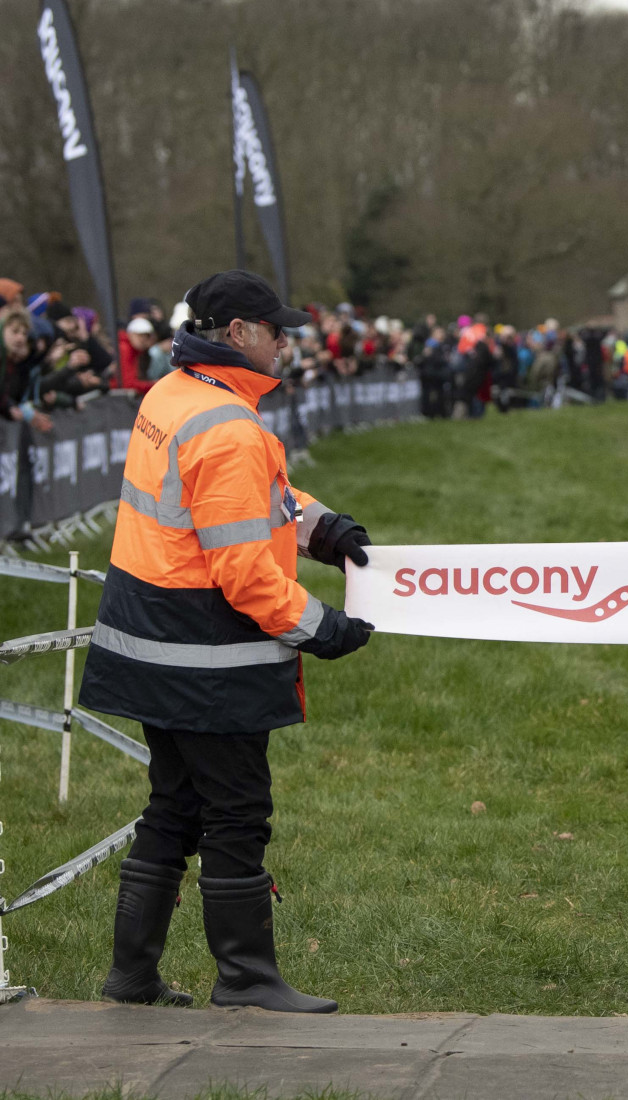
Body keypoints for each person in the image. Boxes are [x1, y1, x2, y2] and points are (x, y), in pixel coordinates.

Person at [80, 270, 375, 1015]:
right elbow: (246, 573)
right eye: (277, 330)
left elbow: (248, 503)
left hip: (151, 648)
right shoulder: (229, 426)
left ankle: (131, 978)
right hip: (207, 660)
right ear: (239, 334)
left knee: (172, 808)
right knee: (236, 814)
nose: (287, 342)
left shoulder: (173, 395)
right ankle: (245, 977)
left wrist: (322, 526)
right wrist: (325, 630)